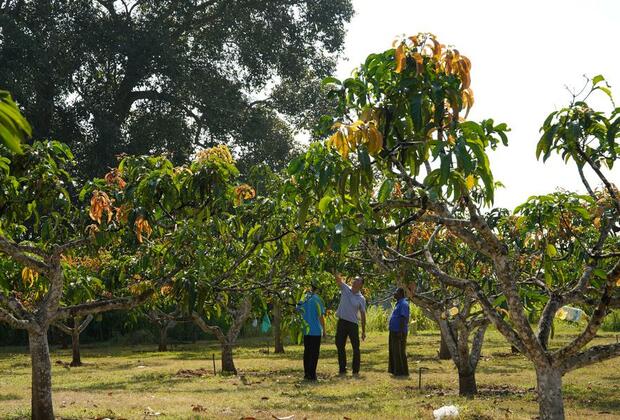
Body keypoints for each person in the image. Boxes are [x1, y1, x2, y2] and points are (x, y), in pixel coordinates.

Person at [334, 273, 366, 376]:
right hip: (342, 321)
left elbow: (363, 314)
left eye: (357, 280)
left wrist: (363, 331)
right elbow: (338, 280)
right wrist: (337, 273)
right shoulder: (345, 288)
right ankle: (342, 368)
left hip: (353, 324)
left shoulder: (361, 298)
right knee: (340, 345)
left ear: (361, 285)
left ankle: (355, 370)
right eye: (354, 279)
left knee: (356, 348)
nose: (354, 281)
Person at [296, 283, 326, 381]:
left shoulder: (303, 298)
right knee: (314, 353)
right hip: (316, 330)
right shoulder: (317, 299)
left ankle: (306, 373)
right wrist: (324, 330)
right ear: (316, 289)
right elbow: (321, 316)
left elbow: (298, 310)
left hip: (305, 330)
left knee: (307, 352)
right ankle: (312, 375)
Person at [388, 287, 410, 376]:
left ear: (400, 294)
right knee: (394, 351)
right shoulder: (398, 303)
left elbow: (403, 318)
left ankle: (401, 372)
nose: (394, 293)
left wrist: (400, 331)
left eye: (396, 292)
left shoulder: (404, 304)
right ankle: (395, 370)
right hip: (393, 330)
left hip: (399, 331)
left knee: (399, 351)